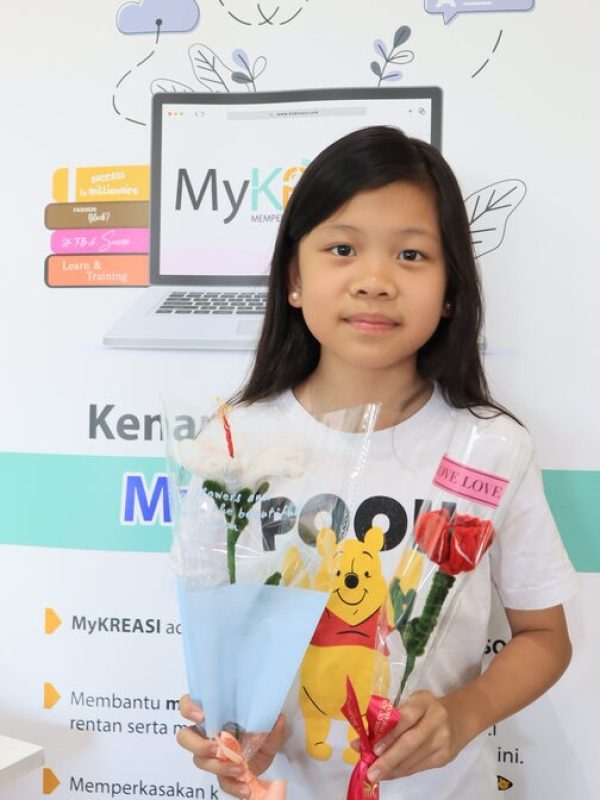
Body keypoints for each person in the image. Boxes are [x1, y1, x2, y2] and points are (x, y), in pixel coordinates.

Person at [175, 126, 578, 799]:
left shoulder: (491, 447)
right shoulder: (233, 444)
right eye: (342, 249)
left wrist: (463, 714)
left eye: (412, 254)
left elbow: (544, 636)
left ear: (450, 289)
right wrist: (234, 728)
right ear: (294, 278)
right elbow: (218, 633)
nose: (374, 281)